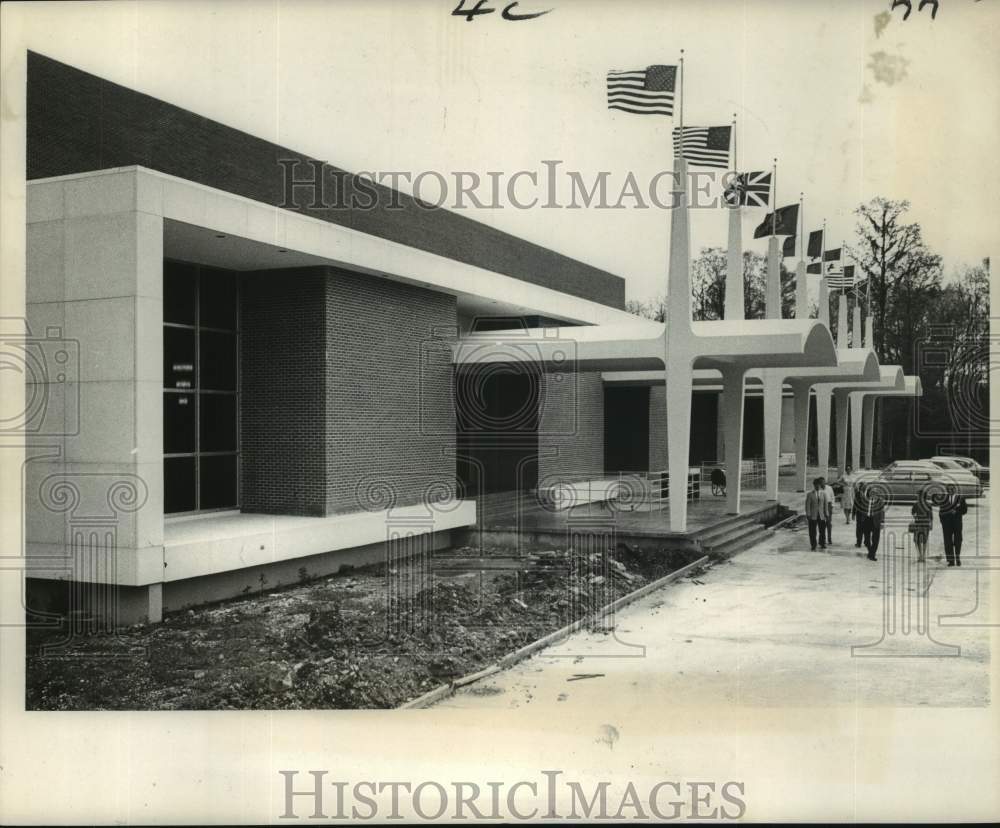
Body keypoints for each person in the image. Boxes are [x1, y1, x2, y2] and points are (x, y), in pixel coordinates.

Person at [938, 483, 968, 566]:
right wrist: (943, 522)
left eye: (952, 489)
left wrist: (957, 512)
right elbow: (941, 512)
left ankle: (957, 558)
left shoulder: (960, 498)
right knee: (947, 541)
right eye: (949, 489)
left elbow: (965, 510)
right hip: (947, 524)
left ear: (955, 489)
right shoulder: (944, 499)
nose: (950, 490)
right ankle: (951, 560)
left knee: (958, 540)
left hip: (957, 523)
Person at [856, 482, 884, 561]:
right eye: (871, 492)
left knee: (875, 539)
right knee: (867, 540)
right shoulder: (865, 500)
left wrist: (882, 522)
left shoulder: (880, 501)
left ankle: (872, 554)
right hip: (867, 520)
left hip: (876, 521)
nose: (873, 494)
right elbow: (862, 509)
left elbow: (882, 512)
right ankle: (870, 552)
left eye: (875, 492)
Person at [910, 485, 933, 563]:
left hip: (924, 524)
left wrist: (931, 524)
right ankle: (920, 555)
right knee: (919, 540)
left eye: (919, 496)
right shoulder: (916, 504)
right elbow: (913, 512)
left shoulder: (927, 505)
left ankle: (922, 555)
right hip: (919, 523)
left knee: (923, 540)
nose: (918, 497)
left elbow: (931, 516)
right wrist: (915, 515)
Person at [804, 477, 828, 551]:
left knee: (822, 530)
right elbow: (807, 505)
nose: (817, 486)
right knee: (812, 531)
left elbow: (825, 505)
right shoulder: (810, 494)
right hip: (813, 515)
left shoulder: (824, 494)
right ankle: (813, 545)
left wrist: (826, 513)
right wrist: (808, 514)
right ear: (814, 485)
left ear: (820, 485)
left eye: (818, 485)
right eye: (815, 485)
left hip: (821, 515)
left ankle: (822, 543)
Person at [818, 476, 836, 544]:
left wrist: (832, 506)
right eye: (821, 483)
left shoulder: (829, 488)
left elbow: (832, 497)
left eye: (824, 482)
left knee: (828, 523)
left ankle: (829, 538)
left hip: (828, 506)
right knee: (821, 523)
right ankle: (822, 539)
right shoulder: (818, 490)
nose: (823, 483)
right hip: (821, 506)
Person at [853, 481, 866, 548]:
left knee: (867, 528)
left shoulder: (869, 493)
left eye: (863, 487)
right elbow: (855, 503)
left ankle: (866, 541)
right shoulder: (857, 494)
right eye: (860, 487)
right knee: (859, 528)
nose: (861, 488)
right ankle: (859, 542)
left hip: (867, 514)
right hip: (859, 513)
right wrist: (853, 513)